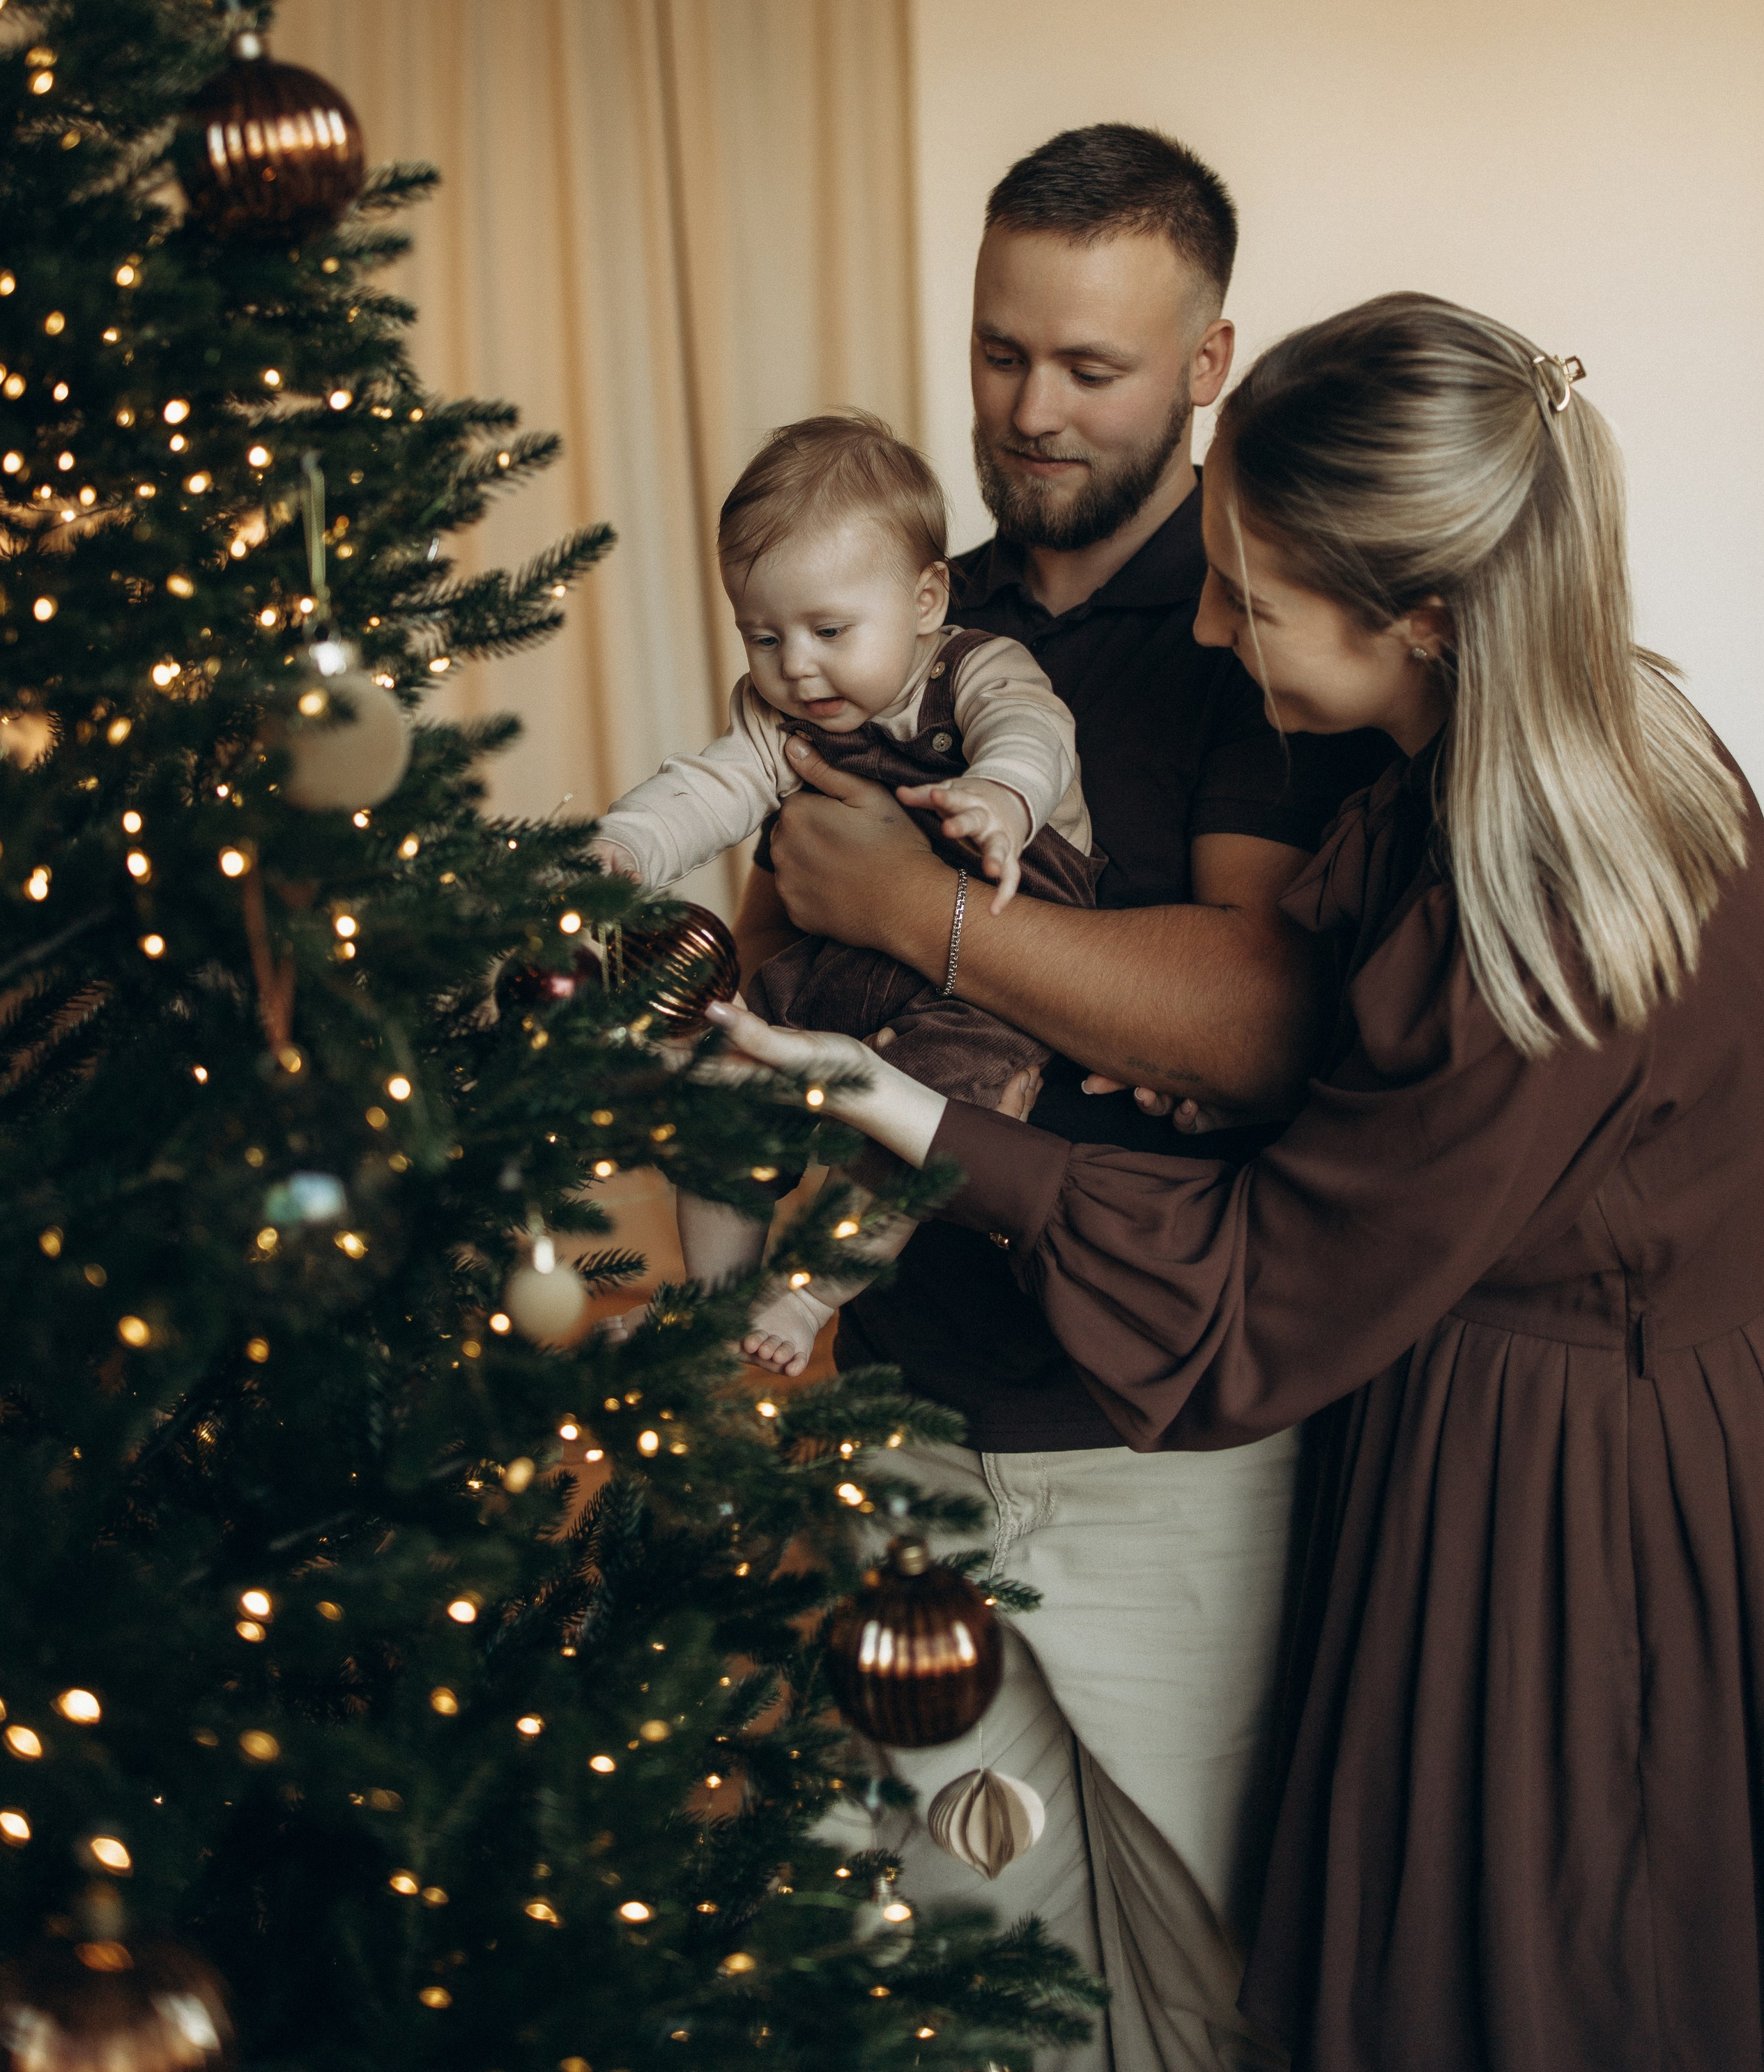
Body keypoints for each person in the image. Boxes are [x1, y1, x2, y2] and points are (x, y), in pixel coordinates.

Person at [711, 290, 1763, 2072]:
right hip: (1492, 1402)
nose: (1210, 625)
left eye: (1250, 599)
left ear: (1419, 620)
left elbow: (1271, 1279)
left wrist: (911, 1121)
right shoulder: (1551, 759)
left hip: (1559, 1484)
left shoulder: (1541, 904)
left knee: (1538, 1962)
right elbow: (1400, 1106)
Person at [734, 125, 1389, 2072]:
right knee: (955, 1983)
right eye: (999, 349)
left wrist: (924, 914)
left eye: (1090, 366)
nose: (1027, 410)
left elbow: (1256, 1017)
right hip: (905, 1402)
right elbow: (788, 926)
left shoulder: (1260, 626)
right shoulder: (897, 603)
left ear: (1208, 363)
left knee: (1203, 1987)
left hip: (1165, 1444)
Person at [590, 409, 1101, 1372]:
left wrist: (1002, 793)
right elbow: (710, 787)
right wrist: (624, 848)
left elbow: (1034, 731)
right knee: (717, 1078)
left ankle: (810, 1295)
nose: (796, 666)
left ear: (924, 597)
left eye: (828, 630)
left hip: (993, 979)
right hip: (850, 964)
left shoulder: (977, 669)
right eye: (762, 635)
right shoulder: (782, 715)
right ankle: (710, 1298)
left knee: (932, 1119)